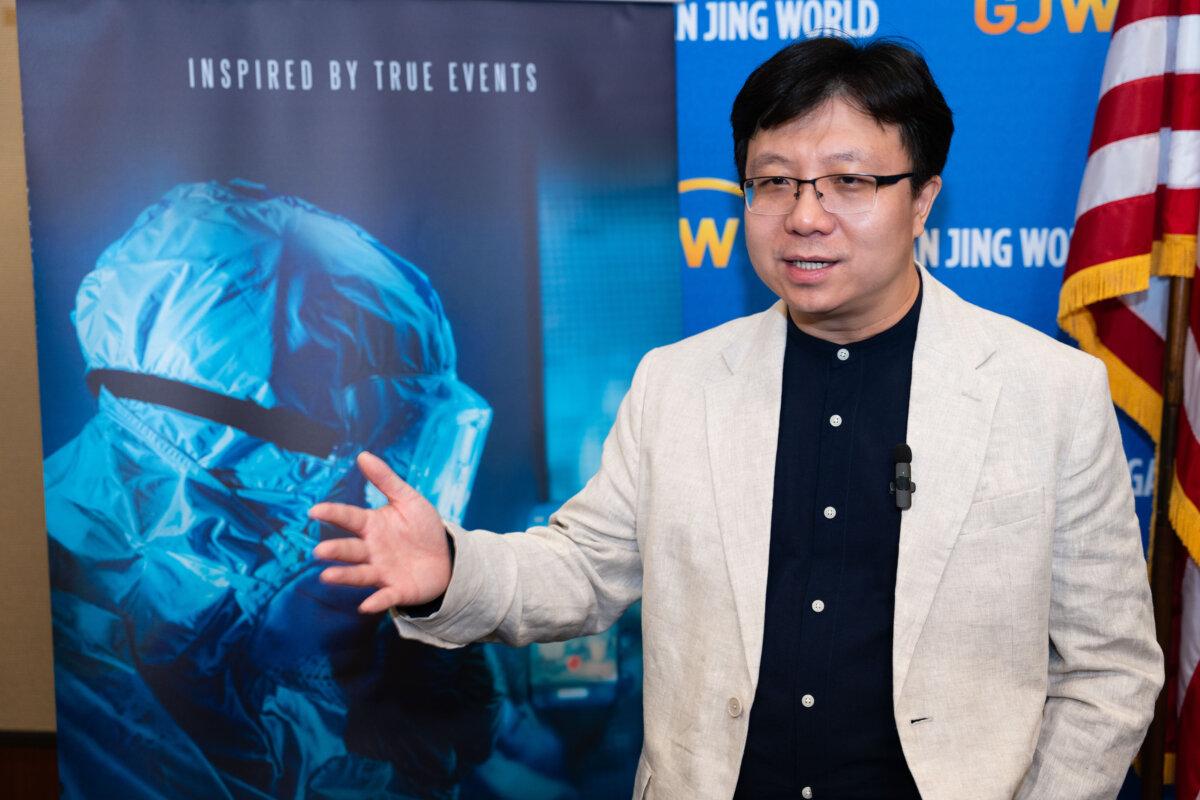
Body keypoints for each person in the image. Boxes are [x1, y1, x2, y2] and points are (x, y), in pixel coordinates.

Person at [311, 38, 1163, 800]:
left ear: (924, 196)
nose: (804, 215)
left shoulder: (1046, 392)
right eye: (773, 182)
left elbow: (1108, 670)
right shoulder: (678, 383)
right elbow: (582, 569)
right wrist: (452, 567)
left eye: (849, 181)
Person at [46, 180, 499, 799]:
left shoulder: (242, 652)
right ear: (225, 468)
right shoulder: (65, 661)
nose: (374, 521)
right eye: (354, 471)